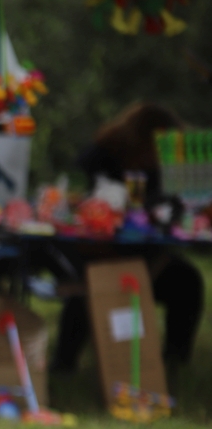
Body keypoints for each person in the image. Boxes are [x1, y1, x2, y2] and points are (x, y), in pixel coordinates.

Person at [53, 102, 204, 372]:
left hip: (149, 257)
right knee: (88, 289)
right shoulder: (99, 158)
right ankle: (64, 365)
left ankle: (174, 364)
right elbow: (77, 206)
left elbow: (179, 207)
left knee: (187, 283)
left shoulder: (165, 168)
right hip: (99, 253)